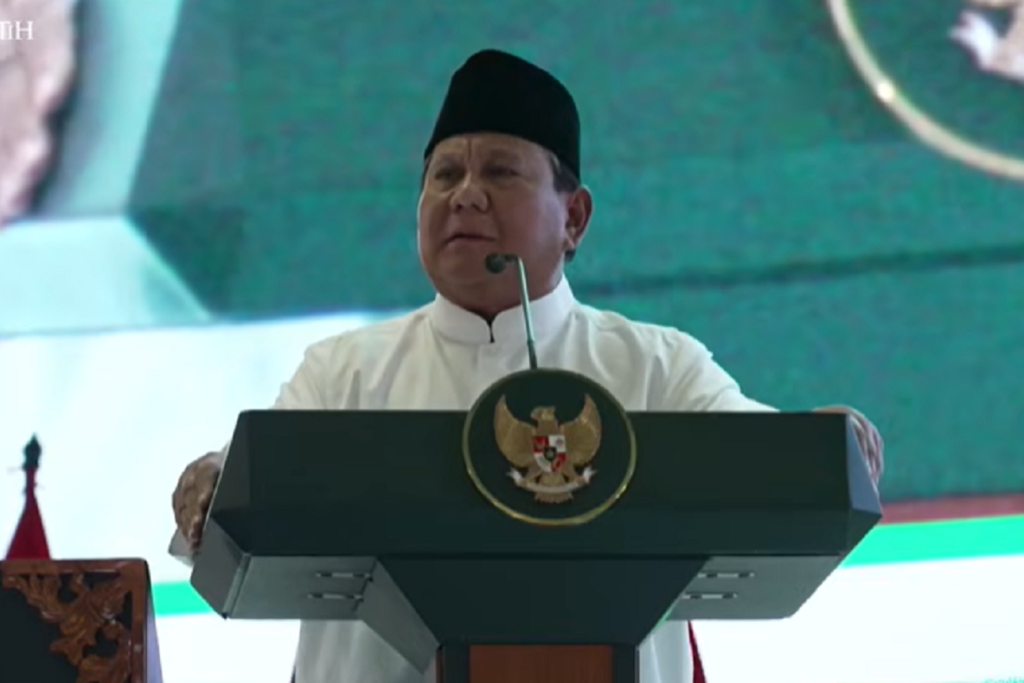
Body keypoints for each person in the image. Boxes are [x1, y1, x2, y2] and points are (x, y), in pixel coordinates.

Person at [170, 48, 885, 683]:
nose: (464, 194)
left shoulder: (655, 365)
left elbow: (755, 451)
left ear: (574, 218)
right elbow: (252, 491)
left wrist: (822, 446)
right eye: (444, 174)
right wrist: (216, 479)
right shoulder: (344, 371)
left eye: (500, 172)